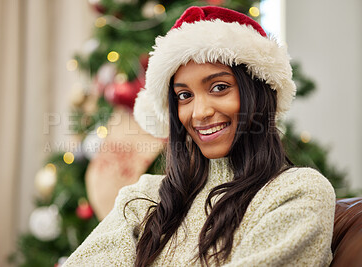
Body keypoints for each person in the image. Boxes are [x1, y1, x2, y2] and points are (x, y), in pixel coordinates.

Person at [63, 6, 335, 267]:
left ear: (259, 93)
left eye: (219, 87)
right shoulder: (143, 198)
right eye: (184, 96)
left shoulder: (298, 192)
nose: (199, 113)